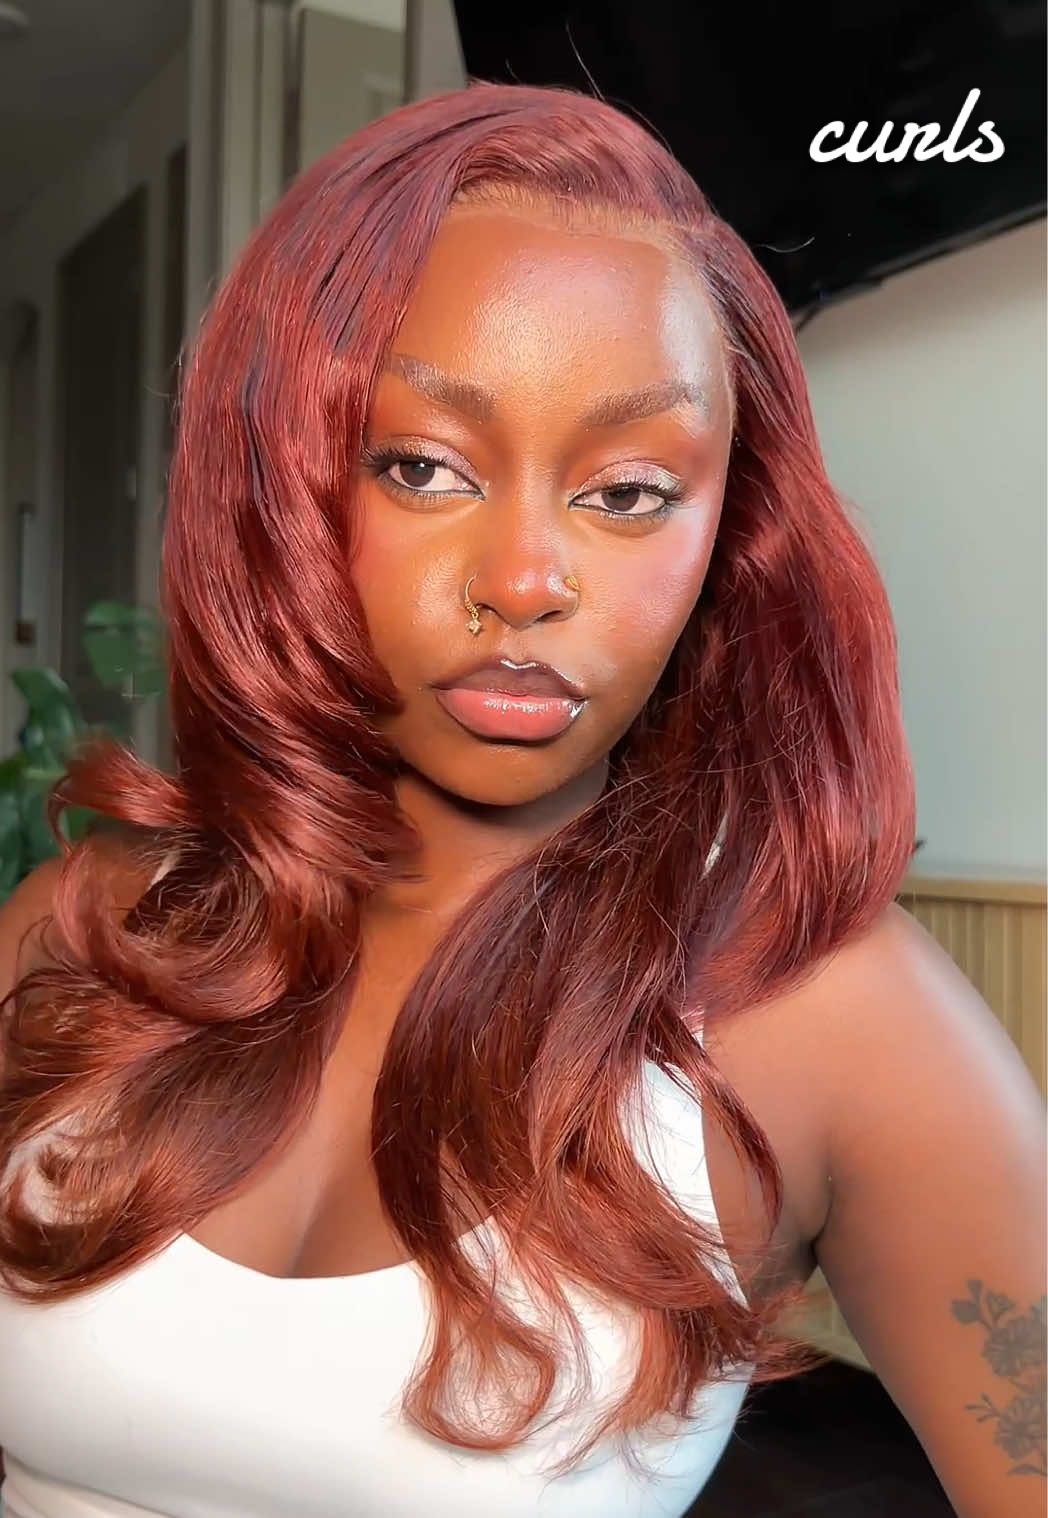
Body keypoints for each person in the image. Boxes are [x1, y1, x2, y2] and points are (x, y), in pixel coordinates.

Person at [0, 80, 1043, 1518]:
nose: (528, 581)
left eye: (629, 493)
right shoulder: (82, 931)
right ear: (287, 489)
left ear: (727, 533)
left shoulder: (823, 1016)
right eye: (423, 467)